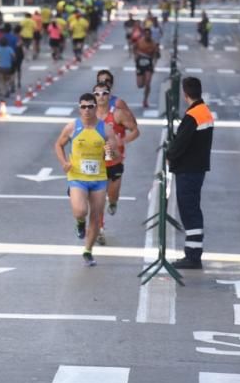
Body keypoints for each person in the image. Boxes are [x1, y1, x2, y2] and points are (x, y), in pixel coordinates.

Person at [53, 93, 118, 265]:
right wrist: (64, 162)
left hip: (99, 178)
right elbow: (58, 144)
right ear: (79, 108)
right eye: (83, 106)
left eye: (90, 106)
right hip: (77, 177)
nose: (87, 110)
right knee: (81, 211)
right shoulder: (72, 127)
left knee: (96, 217)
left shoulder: (106, 128)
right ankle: (80, 223)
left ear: (96, 108)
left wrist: (109, 150)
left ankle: (88, 251)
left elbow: (114, 155)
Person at [166, 77, 214, 270]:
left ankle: (193, 256)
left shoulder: (193, 115)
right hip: (198, 168)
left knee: (189, 211)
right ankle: (194, 252)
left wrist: (170, 155)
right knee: (193, 209)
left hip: (188, 170)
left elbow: (180, 143)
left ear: (185, 94)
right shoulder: (205, 112)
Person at [94, 82, 139, 220]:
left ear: (109, 95)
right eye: (97, 94)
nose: (101, 96)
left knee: (112, 195)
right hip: (96, 161)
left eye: (104, 93)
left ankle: (113, 203)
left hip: (114, 161)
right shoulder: (89, 114)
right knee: (97, 198)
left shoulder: (118, 114)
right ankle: (99, 229)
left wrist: (123, 140)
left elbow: (135, 131)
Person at [133, 28, 161, 108]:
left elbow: (157, 55)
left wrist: (155, 58)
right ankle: (143, 80)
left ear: (151, 35)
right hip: (140, 64)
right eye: (146, 34)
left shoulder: (154, 43)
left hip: (149, 64)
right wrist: (136, 56)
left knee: (148, 83)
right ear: (144, 34)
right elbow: (134, 49)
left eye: (149, 34)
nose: (147, 36)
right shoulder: (139, 42)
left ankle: (145, 100)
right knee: (140, 85)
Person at [0, 36, 15, 101]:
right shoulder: (9, 49)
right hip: (8, 67)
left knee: (0, 80)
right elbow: (14, 57)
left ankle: (1, 92)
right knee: (7, 80)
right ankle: (7, 90)